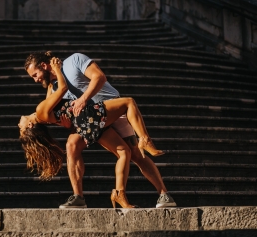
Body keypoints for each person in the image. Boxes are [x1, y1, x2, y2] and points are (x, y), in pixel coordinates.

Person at [24, 51, 176, 208]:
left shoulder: (74, 61)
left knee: (136, 154)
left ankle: (164, 194)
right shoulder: (53, 88)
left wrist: (83, 99)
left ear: (43, 65)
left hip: (112, 109)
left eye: (35, 74)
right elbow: (62, 116)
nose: (36, 80)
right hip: (90, 120)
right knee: (71, 145)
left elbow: (100, 77)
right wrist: (66, 125)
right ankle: (78, 197)